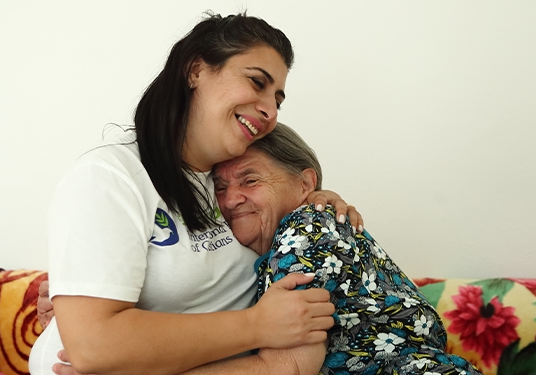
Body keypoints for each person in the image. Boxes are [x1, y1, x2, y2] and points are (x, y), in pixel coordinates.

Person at [29, 12, 363, 375]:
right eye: (256, 82)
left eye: (277, 101)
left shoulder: (233, 186)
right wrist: (258, 323)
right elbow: (95, 346)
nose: (269, 111)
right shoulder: (112, 176)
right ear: (195, 70)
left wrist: (316, 198)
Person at [39, 124, 483, 375]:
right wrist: (79, 297)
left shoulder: (306, 231)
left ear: (306, 183)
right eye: (221, 187)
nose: (230, 199)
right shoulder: (268, 249)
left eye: (250, 180)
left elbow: (287, 367)